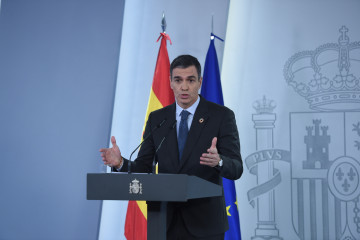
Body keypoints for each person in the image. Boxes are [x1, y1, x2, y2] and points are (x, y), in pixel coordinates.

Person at [100, 54, 243, 240]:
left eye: (190, 80)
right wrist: (120, 163)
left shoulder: (221, 116)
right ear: (170, 82)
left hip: (205, 224)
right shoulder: (158, 119)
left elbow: (237, 169)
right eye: (178, 80)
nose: (184, 87)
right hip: (164, 222)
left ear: (200, 82)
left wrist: (219, 161)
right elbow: (144, 167)